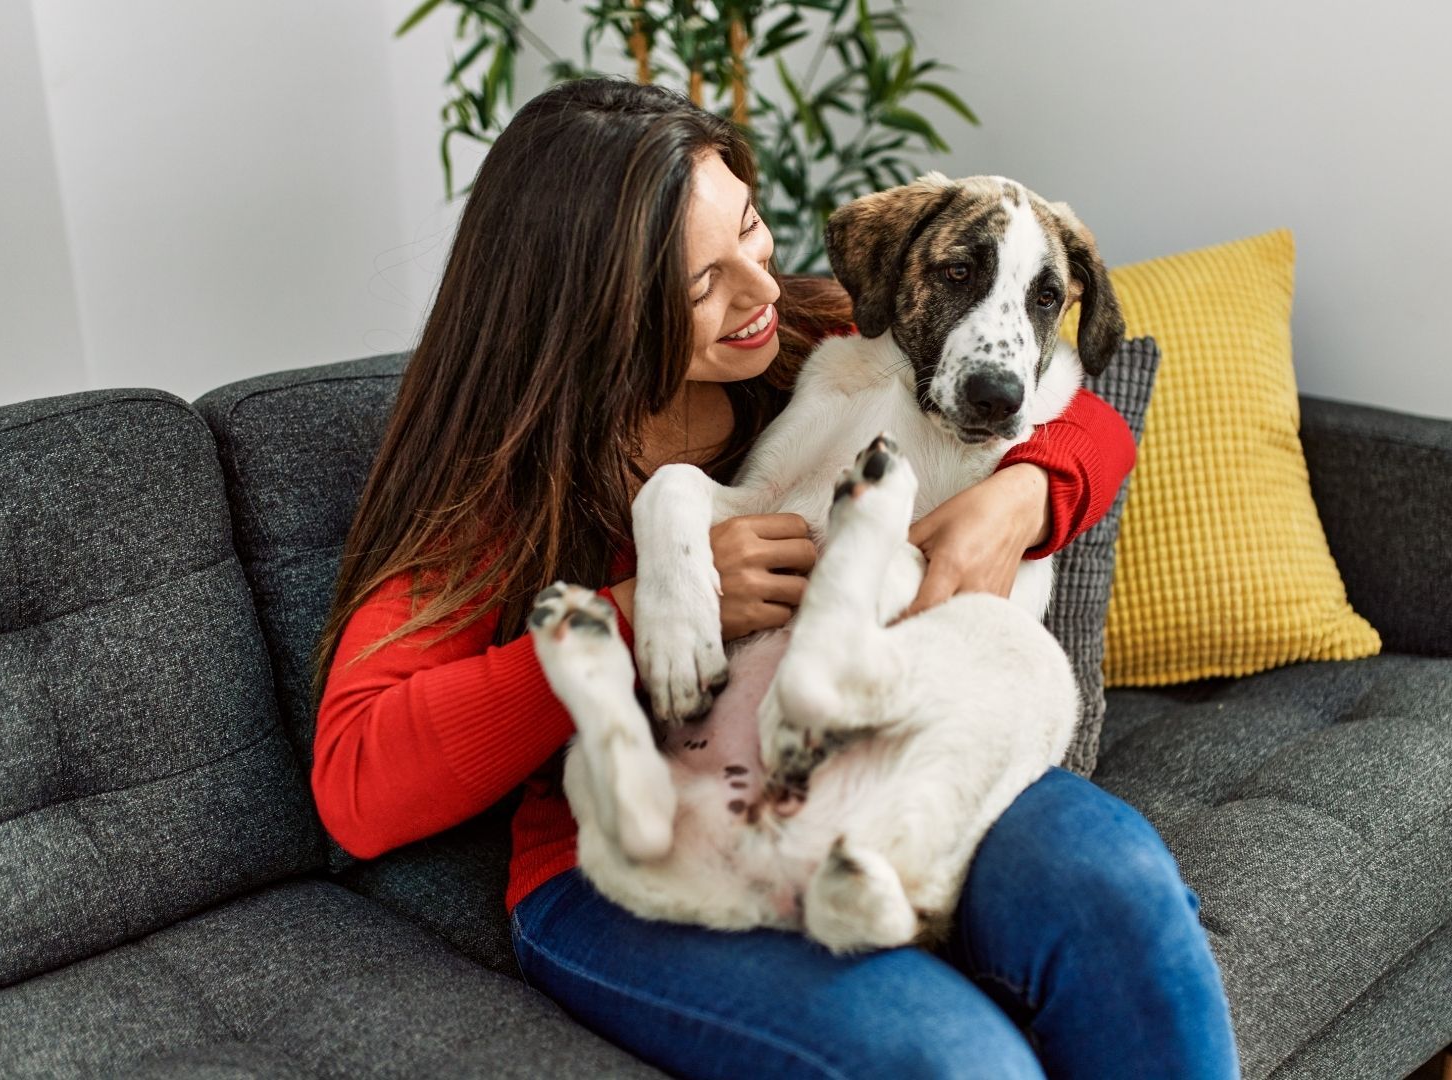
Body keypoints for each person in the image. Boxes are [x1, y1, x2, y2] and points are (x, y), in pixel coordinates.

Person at [310, 76, 1239, 1079]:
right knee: (954, 1063)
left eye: (750, 229)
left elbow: (1076, 407)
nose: (760, 290)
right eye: (701, 281)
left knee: (1123, 899)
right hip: (647, 840)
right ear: (587, 302)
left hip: (883, 761)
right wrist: (636, 613)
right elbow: (358, 781)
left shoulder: (809, 336)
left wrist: (1022, 499)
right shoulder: (499, 479)